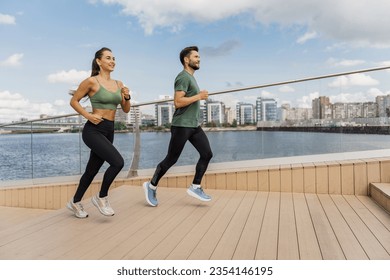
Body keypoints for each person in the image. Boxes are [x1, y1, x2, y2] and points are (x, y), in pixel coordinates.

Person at [143, 46, 213, 207]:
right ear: (186, 60)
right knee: (171, 159)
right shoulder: (183, 77)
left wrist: (197, 96)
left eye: (199, 57)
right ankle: (151, 185)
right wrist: (199, 96)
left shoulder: (191, 78)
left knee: (207, 154)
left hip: (193, 125)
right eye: (196, 57)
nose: (199, 59)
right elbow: (177, 102)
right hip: (181, 125)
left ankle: (195, 186)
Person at [67, 47, 131, 218]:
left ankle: (74, 202)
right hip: (93, 130)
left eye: (114, 58)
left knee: (92, 170)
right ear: (99, 61)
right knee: (117, 162)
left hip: (110, 129)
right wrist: (88, 115)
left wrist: (127, 96)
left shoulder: (119, 84)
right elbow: (74, 101)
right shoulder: (91, 81)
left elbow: (125, 110)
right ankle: (101, 197)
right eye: (108, 58)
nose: (112, 61)